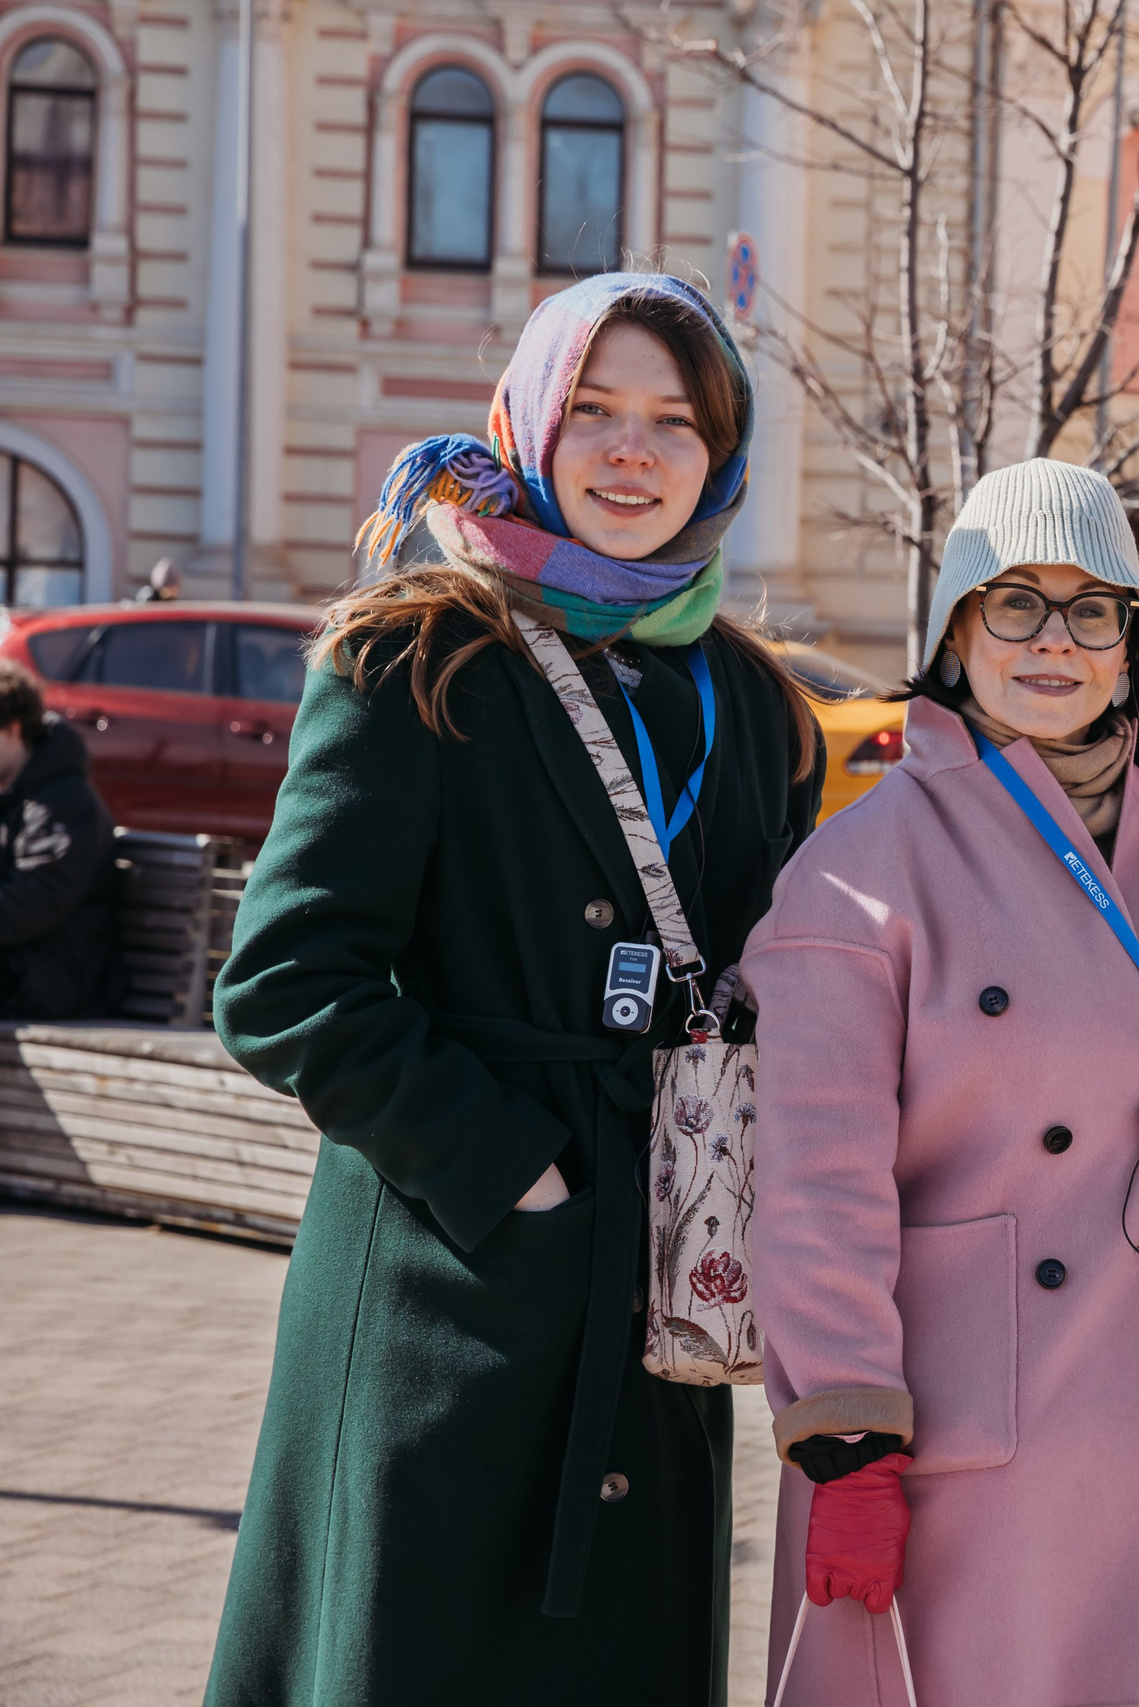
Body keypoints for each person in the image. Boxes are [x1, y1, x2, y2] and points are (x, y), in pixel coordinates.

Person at [204, 273, 821, 1707]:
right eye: (594, 409)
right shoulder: (415, 653)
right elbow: (287, 977)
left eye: (674, 421)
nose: (631, 451)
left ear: (718, 455)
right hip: (451, 1275)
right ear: (530, 424)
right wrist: (515, 1170)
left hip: (656, 1281)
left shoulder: (752, 694)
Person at [741, 457, 1139, 1707]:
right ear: (955, 632)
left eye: (1091, 608)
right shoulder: (858, 872)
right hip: (944, 1444)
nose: (1052, 641)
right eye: (1015, 603)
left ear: (1132, 647)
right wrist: (846, 1444)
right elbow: (814, 1182)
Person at [0, 660, 117, 1018]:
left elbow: (33, 906)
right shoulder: (13, 794)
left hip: (54, 972)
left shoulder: (65, 801)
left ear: (13, 729)